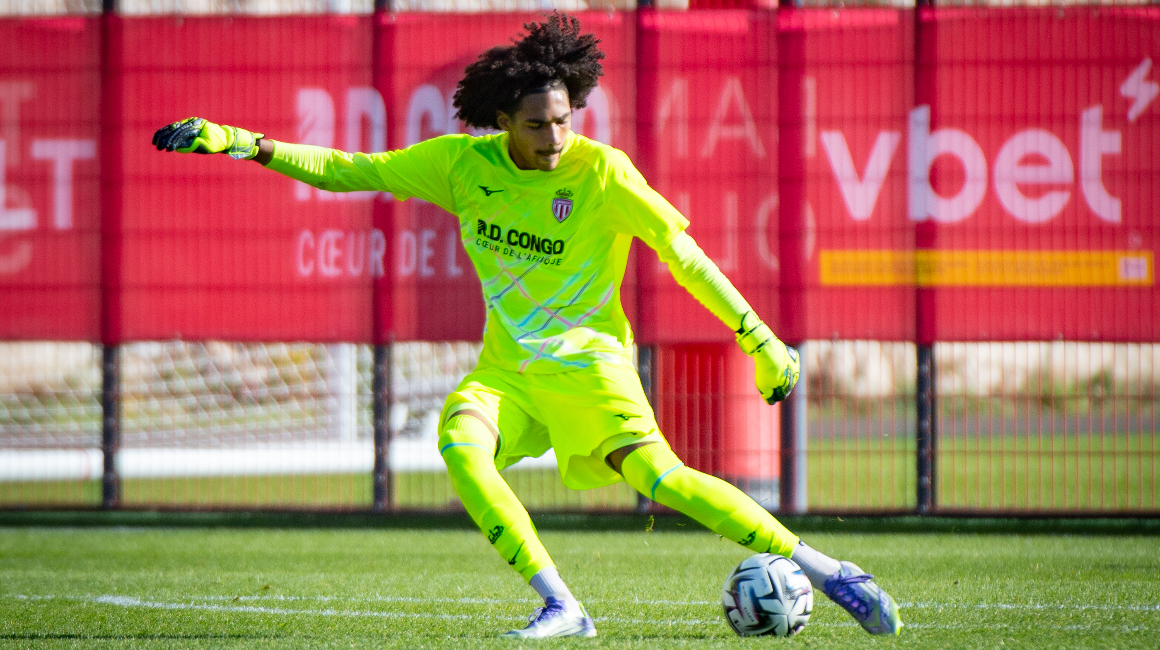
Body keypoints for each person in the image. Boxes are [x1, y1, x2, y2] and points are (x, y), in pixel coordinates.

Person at [152, 13, 901, 639]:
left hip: (590, 366)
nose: (554, 139)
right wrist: (241, 141)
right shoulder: (460, 165)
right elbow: (351, 169)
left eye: (565, 121)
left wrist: (759, 338)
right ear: (502, 121)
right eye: (538, 125)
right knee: (458, 442)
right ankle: (562, 604)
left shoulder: (602, 173)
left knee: (662, 480)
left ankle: (831, 573)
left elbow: (682, 253)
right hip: (510, 371)